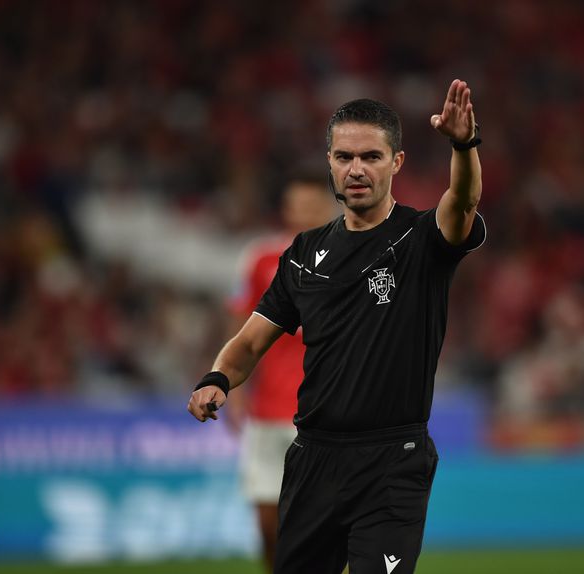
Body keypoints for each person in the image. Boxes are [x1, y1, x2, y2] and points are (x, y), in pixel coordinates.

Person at [188, 79, 485, 573]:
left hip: (393, 459)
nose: (356, 169)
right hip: (314, 459)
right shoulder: (303, 254)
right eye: (344, 157)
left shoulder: (422, 238)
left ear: (397, 162)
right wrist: (217, 377)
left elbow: (464, 201)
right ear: (330, 161)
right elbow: (251, 341)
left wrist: (464, 145)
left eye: (371, 157)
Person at [226, 173, 338, 572]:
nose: (304, 215)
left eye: (312, 206)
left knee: (327, 525)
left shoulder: (354, 258)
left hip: (327, 414)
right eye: (297, 206)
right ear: (286, 210)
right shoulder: (260, 259)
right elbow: (240, 328)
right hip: (268, 413)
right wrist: (233, 390)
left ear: (328, 208)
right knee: (268, 526)